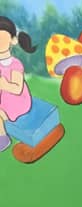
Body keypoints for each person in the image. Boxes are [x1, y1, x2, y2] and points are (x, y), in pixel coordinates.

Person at [0, 16, 34, 154]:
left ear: (13, 40)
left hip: (17, 102)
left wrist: (3, 84)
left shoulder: (14, 64)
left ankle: (3, 139)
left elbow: (17, 89)